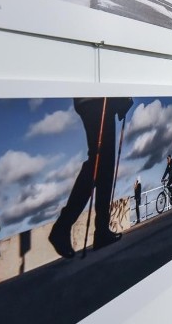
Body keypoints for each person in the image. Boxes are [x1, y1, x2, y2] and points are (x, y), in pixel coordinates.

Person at [48, 97, 133, 259]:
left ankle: (100, 229)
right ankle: (65, 227)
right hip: (98, 99)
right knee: (101, 160)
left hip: (93, 99)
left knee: (103, 163)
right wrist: (123, 97)